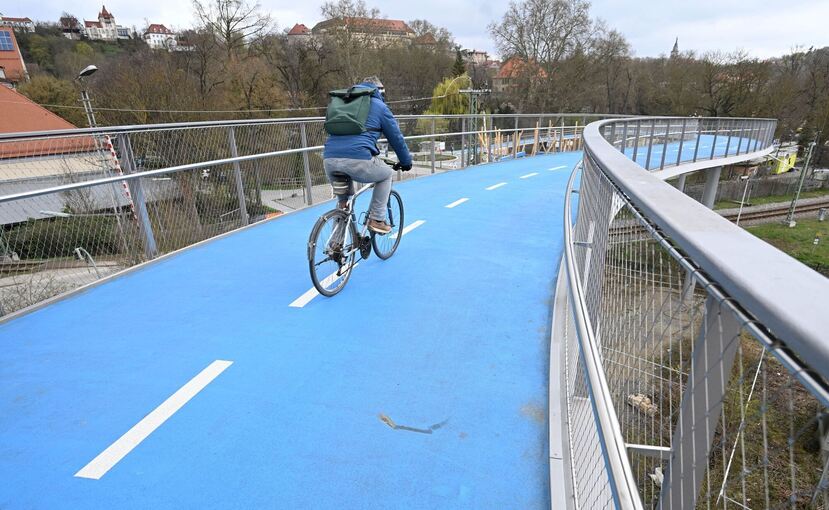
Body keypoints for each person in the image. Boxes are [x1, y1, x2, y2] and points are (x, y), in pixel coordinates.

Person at [323, 76, 413, 234]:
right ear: (379, 91)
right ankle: (377, 219)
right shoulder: (380, 106)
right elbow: (396, 138)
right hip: (358, 159)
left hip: (329, 159)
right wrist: (406, 161)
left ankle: (336, 243)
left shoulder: (343, 102)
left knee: (343, 204)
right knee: (386, 175)